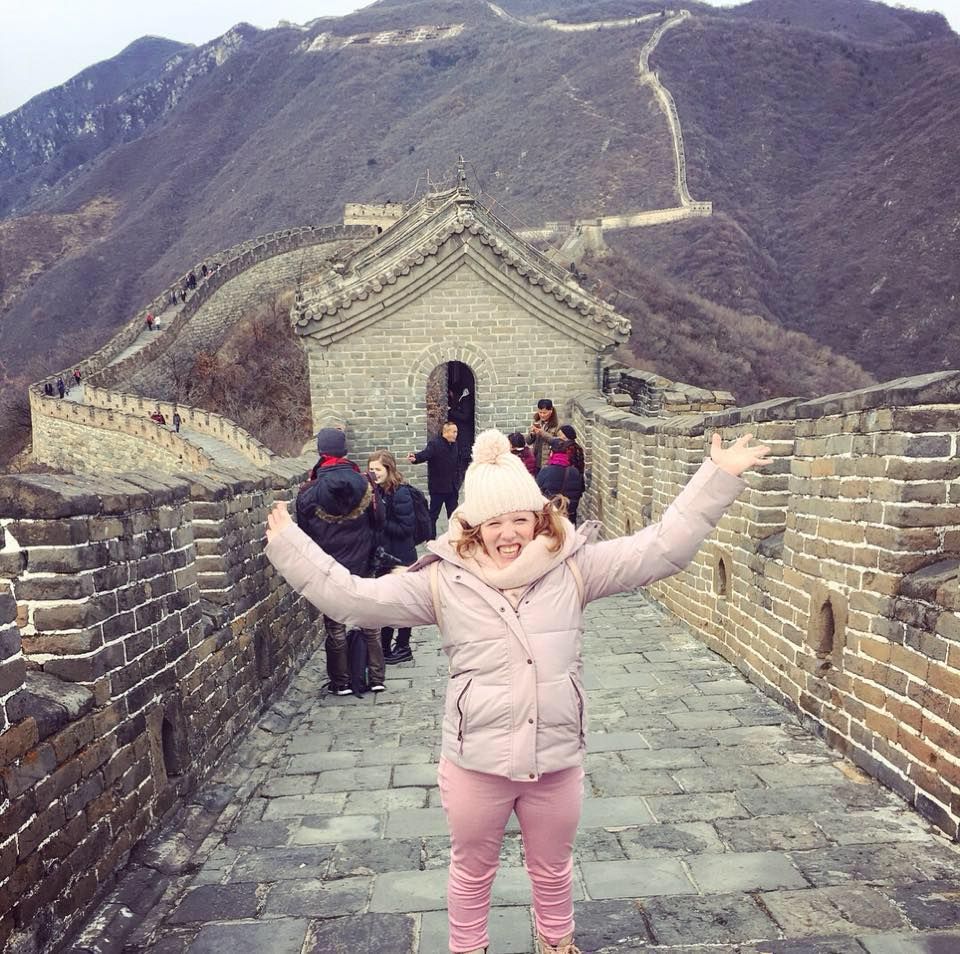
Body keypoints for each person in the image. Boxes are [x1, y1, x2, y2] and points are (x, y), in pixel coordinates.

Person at [266, 428, 769, 954]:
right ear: (473, 526)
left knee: (553, 869)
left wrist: (718, 476)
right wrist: (290, 546)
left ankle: (557, 944)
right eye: (494, 523)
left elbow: (661, 549)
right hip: (476, 763)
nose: (509, 535)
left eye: (519, 519)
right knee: (471, 870)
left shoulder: (573, 567)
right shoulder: (442, 581)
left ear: (539, 517)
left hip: (555, 761)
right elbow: (354, 600)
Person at [297, 427, 386, 695]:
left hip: (329, 567)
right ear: (345, 451)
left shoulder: (308, 491)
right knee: (370, 621)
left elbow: (304, 534)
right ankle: (376, 678)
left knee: (335, 625)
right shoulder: (366, 484)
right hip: (364, 563)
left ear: (320, 452)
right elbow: (380, 520)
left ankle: (341, 682)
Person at [368, 451, 418, 664]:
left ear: (389, 469)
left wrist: (380, 521)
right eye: (371, 469)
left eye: (378, 469)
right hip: (385, 557)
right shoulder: (376, 491)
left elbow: (407, 528)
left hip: (401, 557)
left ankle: (403, 647)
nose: (374, 473)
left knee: (402, 605)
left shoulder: (400, 493)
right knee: (386, 604)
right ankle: (386, 648)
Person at [408, 421, 462, 538]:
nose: (456, 434)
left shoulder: (455, 445)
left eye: (456, 432)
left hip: (452, 488)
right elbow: (425, 454)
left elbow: (458, 464)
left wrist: (458, 481)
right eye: (454, 432)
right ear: (446, 432)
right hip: (438, 489)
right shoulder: (435, 444)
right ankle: (431, 540)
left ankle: (455, 538)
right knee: (433, 516)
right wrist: (416, 458)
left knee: (454, 516)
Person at [536, 440, 585, 525]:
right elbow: (580, 490)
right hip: (569, 512)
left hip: (551, 513)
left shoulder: (545, 471)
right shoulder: (575, 472)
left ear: (552, 453)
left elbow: (537, 490)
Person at [527, 399, 562, 473]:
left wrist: (542, 433)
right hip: (536, 459)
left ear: (551, 411)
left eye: (544, 413)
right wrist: (532, 434)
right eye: (540, 412)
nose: (542, 415)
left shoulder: (558, 425)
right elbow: (528, 442)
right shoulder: (537, 421)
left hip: (548, 461)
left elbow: (558, 442)